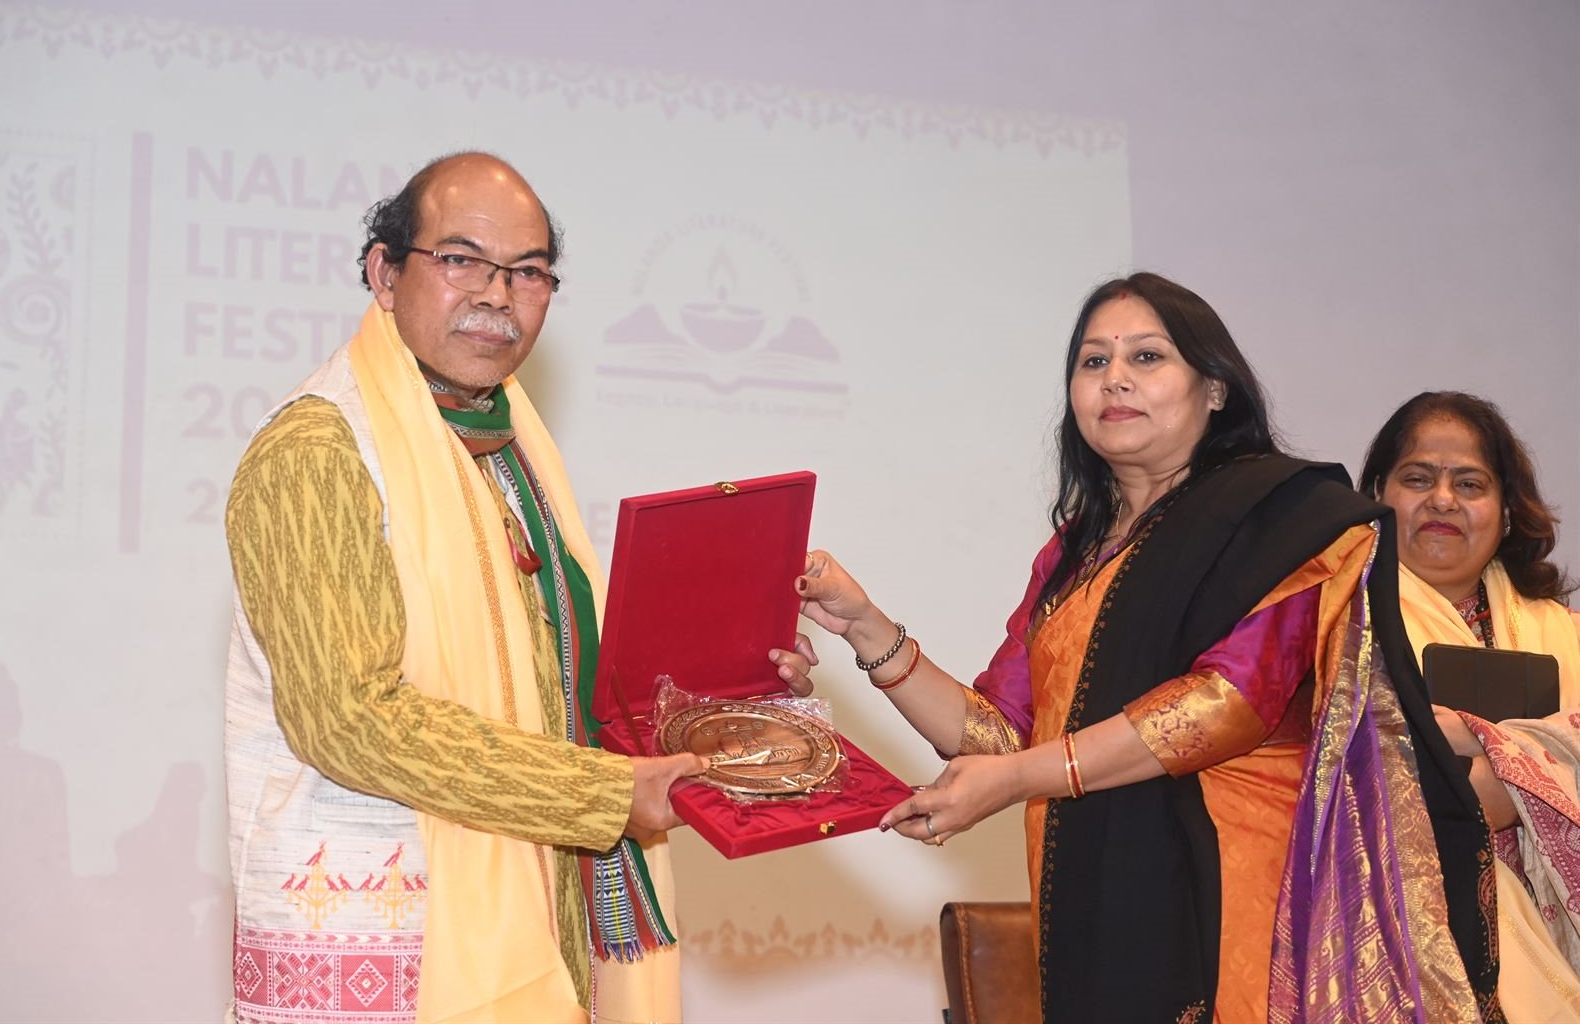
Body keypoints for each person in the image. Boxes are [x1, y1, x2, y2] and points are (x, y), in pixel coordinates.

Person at [775, 273, 1499, 1021]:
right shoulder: (1074, 553)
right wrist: (864, 624)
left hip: (1237, 887)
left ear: (1214, 388)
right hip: (1089, 886)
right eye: (1093, 362)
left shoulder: (1279, 519)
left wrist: (1018, 779)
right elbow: (999, 733)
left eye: (1146, 357)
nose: (1114, 378)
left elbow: (1227, 704)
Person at [223, 152, 705, 1024]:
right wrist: (599, 796)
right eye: (460, 260)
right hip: (379, 940)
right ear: (384, 273)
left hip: (533, 909)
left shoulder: (504, 442)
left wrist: (725, 692)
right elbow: (348, 719)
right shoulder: (318, 450)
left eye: (527, 272)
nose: (497, 295)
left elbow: (562, 684)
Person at [1360, 391, 1580, 1020]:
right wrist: (1528, 770)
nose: (1442, 500)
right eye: (1417, 478)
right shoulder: (1336, 627)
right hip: (1396, 936)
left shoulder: (1565, 634)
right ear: (1376, 498)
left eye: (1470, 483)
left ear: (1507, 513)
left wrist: (1489, 761)